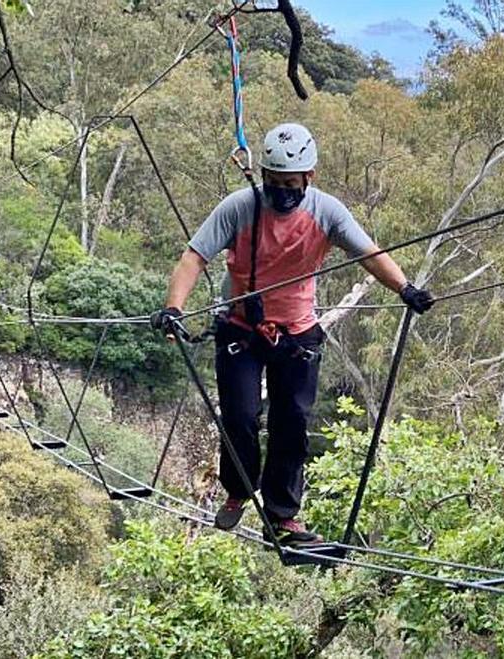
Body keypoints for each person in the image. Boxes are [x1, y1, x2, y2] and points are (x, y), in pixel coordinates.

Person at [150, 123, 434, 546]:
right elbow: (194, 257)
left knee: (292, 422)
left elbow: (368, 252)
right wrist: (174, 308)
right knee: (241, 417)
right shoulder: (240, 208)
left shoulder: (327, 212)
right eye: (273, 182)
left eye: (290, 184)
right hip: (241, 328)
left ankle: (283, 516)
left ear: (309, 177)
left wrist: (405, 288)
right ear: (262, 175)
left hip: (298, 332)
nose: (281, 191)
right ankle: (239, 490)